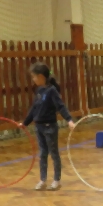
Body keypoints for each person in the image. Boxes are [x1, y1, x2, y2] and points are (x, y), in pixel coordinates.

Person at [20, 63, 76, 191]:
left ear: (41, 76)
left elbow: (61, 106)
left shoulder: (52, 91)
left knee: (54, 153)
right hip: (39, 127)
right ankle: (43, 180)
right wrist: (25, 123)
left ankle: (56, 180)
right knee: (43, 154)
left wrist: (69, 120)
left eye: (34, 77)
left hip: (50, 127)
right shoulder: (39, 91)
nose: (33, 79)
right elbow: (34, 109)